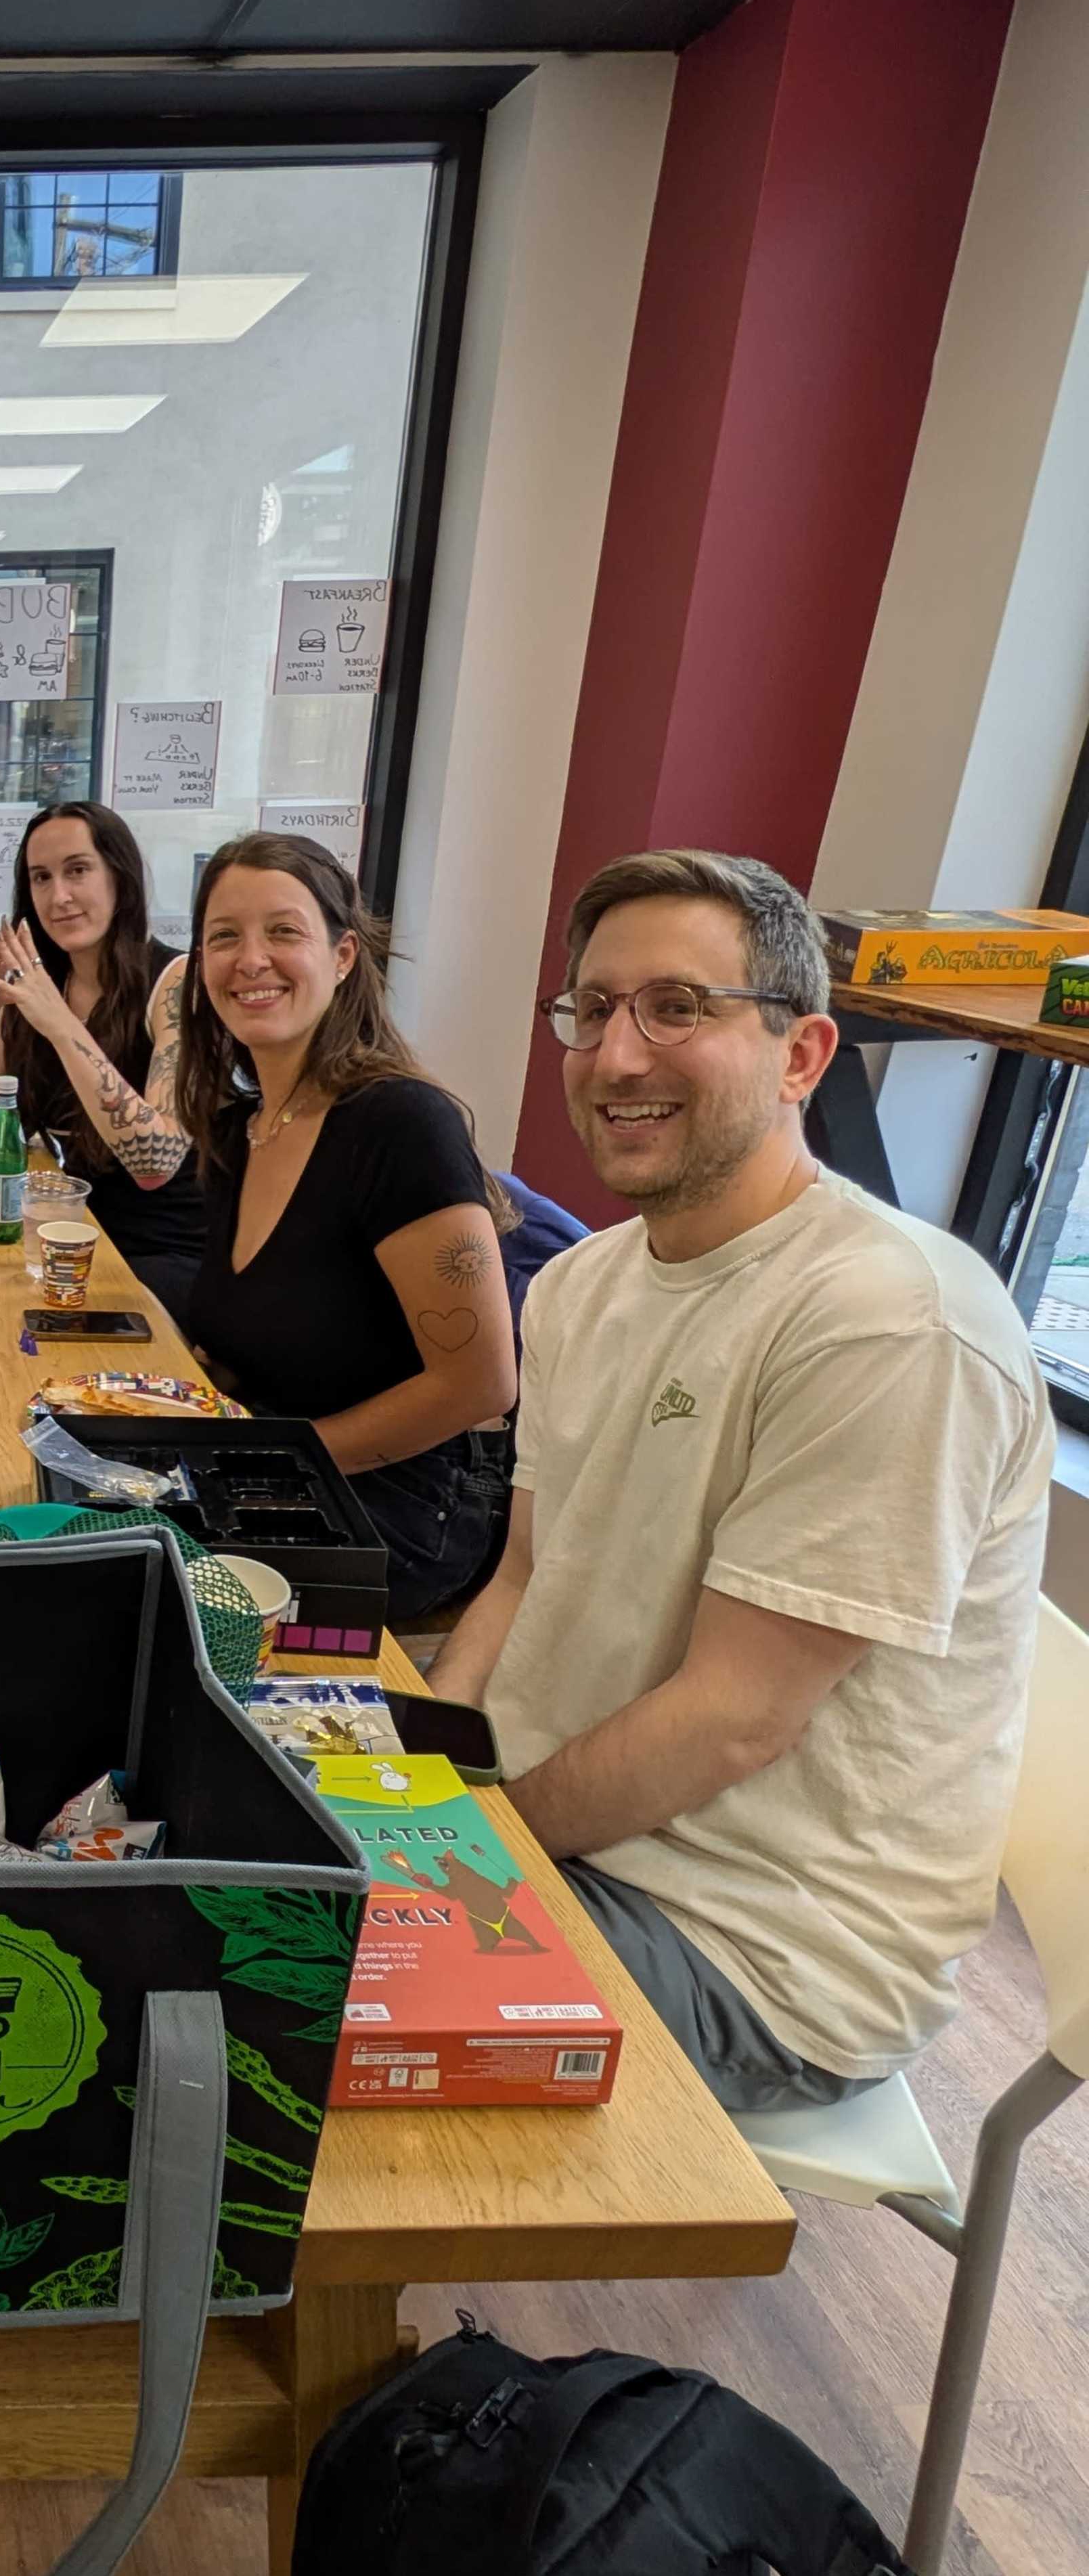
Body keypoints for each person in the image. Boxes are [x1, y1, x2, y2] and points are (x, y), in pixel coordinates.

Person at [431, 850, 1052, 2110]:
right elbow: (522, 1577)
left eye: (678, 1007)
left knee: (266, 2011)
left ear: (802, 1055)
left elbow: (736, 1718)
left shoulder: (888, 1321)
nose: (617, 1057)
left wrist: (472, 1851)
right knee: (207, 1911)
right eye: (593, 1009)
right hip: (570, 1836)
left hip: (753, 1945)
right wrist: (418, 1777)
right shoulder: (587, 1283)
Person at [167, 830, 517, 1622]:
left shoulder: (400, 1125)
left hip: (401, 1508)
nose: (250, 959)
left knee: (122, 1577)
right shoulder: (238, 1129)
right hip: (272, 1464)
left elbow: (482, 1384)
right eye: (224, 937)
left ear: (344, 955)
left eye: (283, 932)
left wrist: (268, 1458)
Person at [0, 799, 208, 1320]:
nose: (60, 897)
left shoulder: (176, 983)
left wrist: (58, 1020)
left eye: (78, 870)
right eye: (41, 878)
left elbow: (156, 1162)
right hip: (73, 1240)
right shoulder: (39, 992)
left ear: (120, 878)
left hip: (165, 1259)